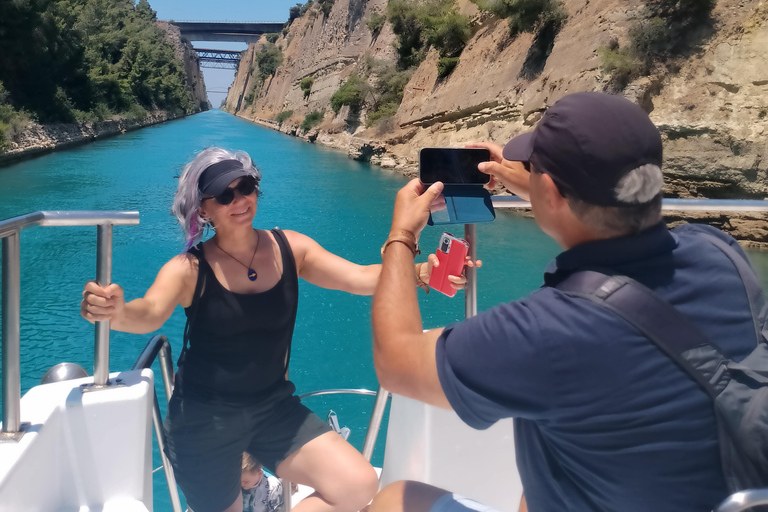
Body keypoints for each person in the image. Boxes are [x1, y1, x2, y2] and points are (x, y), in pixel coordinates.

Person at [369, 92, 758, 512]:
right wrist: (535, 186)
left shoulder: (547, 330)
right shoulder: (722, 252)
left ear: (552, 191)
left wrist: (402, 235)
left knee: (395, 498)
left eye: (535, 170)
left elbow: (395, 362)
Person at [80, 147, 471, 512]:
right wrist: (116, 311)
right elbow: (148, 312)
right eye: (225, 195)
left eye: (246, 187)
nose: (240, 200)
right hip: (203, 421)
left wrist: (419, 272)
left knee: (358, 483)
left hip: (273, 408)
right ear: (203, 209)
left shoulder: (291, 248)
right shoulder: (188, 269)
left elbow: (357, 277)